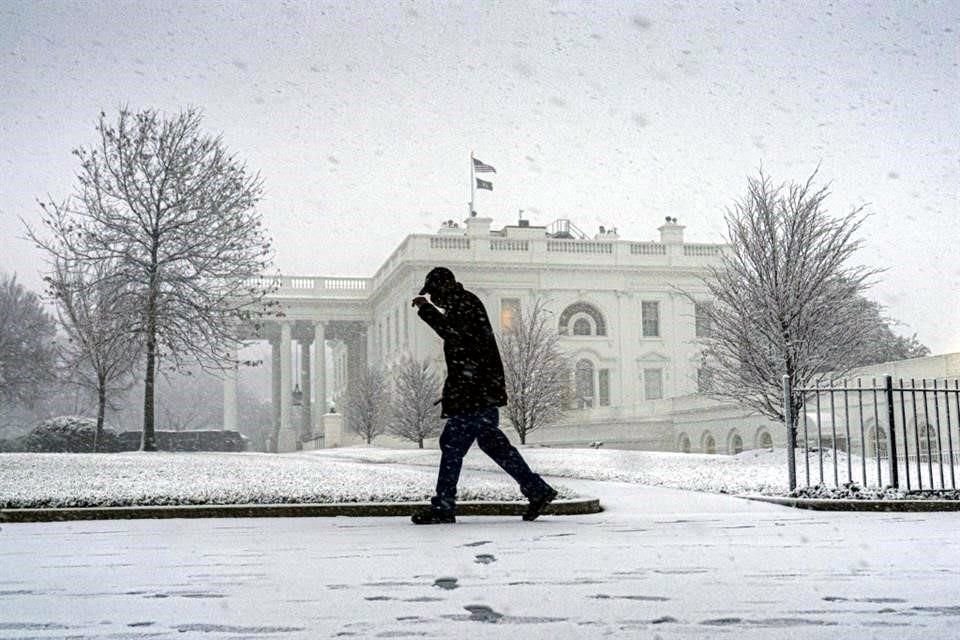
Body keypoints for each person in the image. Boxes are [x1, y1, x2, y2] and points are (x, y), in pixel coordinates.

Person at [410, 266, 557, 525]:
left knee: (452, 446)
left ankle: (444, 507)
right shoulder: (465, 304)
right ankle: (537, 489)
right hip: (480, 392)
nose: (434, 299)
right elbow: (465, 345)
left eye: (433, 294)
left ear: (443, 287)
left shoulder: (464, 304)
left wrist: (426, 310)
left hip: (473, 395)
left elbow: (453, 336)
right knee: (494, 445)